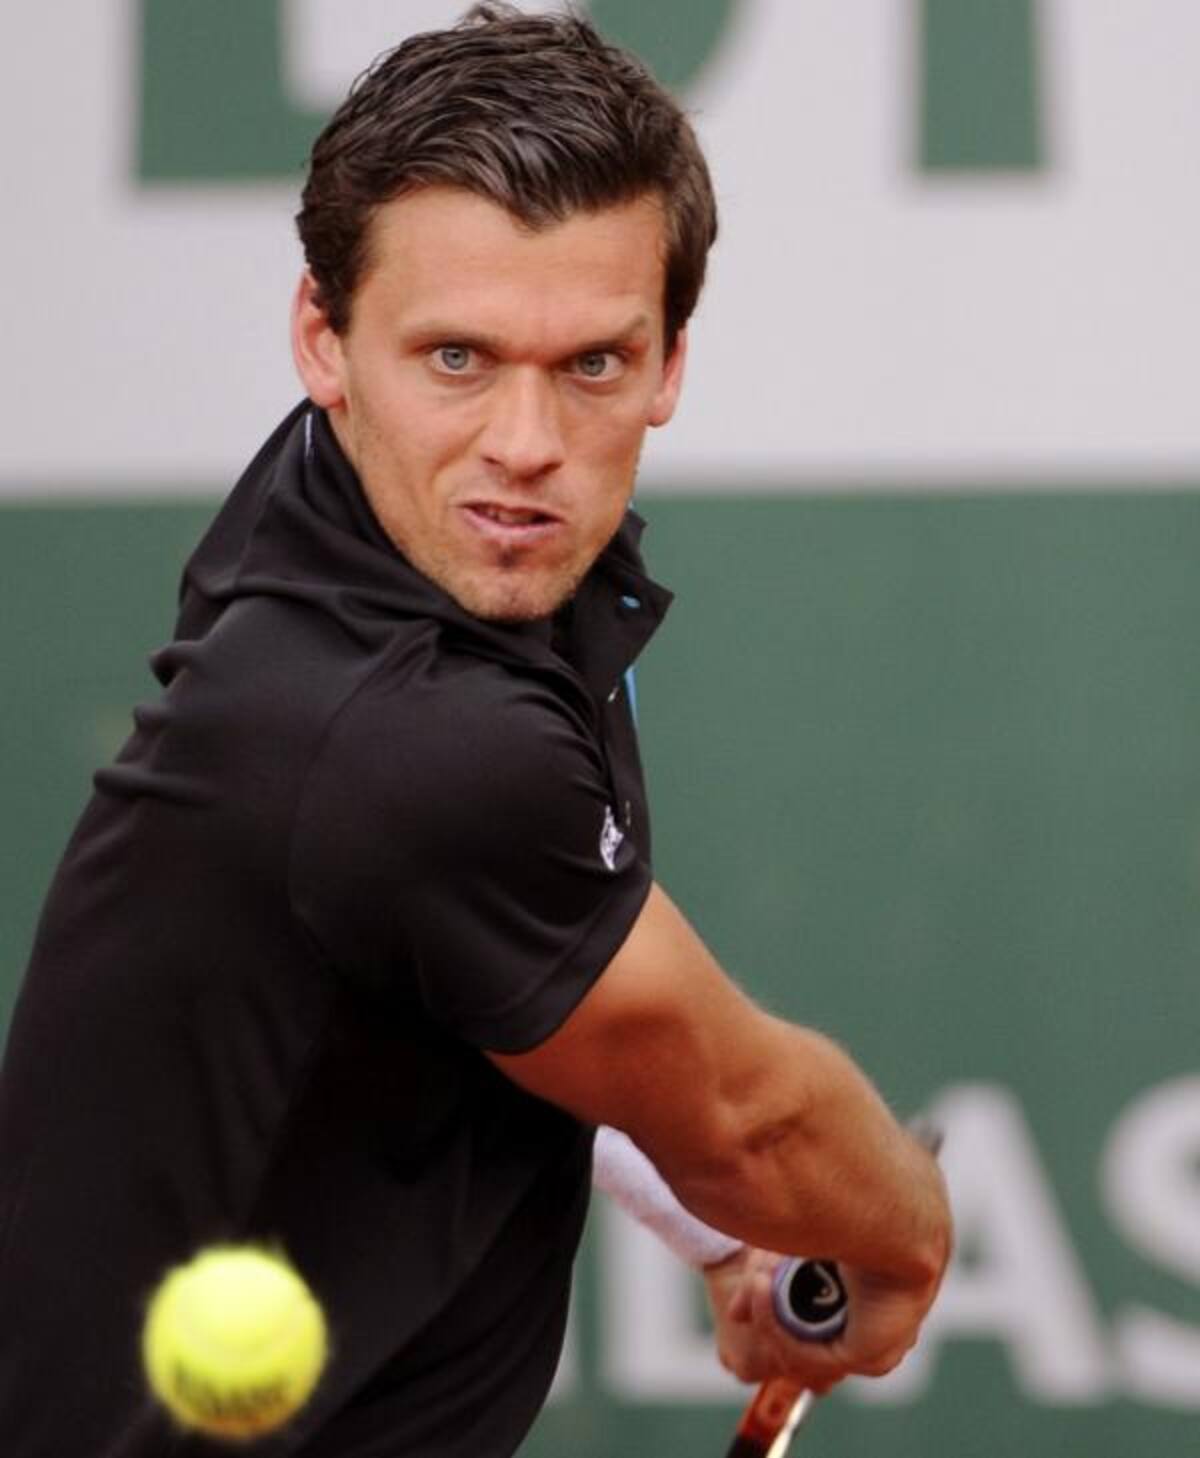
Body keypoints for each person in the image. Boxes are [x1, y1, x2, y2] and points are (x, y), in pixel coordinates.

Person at [0, 5, 951, 1455]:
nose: (524, 442)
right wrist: (908, 1233)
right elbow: (748, 1118)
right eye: (457, 358)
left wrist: (716, 1237)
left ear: (670, 360)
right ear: (324, 336)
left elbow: (515, 962)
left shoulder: (352, 507)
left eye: (592, 364)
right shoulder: (410, 736)